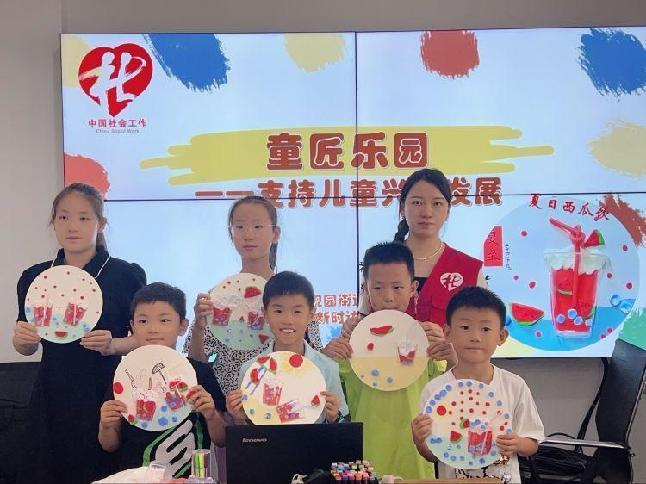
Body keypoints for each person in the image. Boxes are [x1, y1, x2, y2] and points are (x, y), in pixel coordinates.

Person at [12, 183, 146, 484]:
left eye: (84, 218)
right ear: (54, 222)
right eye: (64, 217)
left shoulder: (125, 275)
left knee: (103, 470)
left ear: (101, 224)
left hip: (106, 391)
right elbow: (26, 346)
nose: (73, 226)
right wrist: (21, 341)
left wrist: (114, 345)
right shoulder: (35, 277)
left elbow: (147, 340)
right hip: (53, 392)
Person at [325, 242, 456, 479]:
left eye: (397, 287)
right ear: (366, 289)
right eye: (378, 288)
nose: (388, 297)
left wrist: (450, 353)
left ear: (412, 288)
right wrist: (326, 354)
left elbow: (454, 386)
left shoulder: (425, 337)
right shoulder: (352, 339)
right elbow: (327, 385)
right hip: (366, 459)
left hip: (415, 455)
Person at [412, 286, 544, 482]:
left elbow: (532, 444)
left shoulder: (514, 386)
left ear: (501, 336)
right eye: (465, 327)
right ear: (447, 332)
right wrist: (420, 441)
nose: (475, 337)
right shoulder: (435, 390)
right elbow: (432, 456)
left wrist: (517, 443)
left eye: (485, 329)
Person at [99, 282, 226, 478]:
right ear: (132, 326)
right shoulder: (125, 375)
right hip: (137, 478)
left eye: (164, 320)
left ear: (182, 326)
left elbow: (222, 439)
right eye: (143, 321)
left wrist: (211, 414)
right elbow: (109, 445)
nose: (153, 329)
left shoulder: (199, 373)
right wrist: (106, 424)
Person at [227, 271, 349, 424]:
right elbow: (247, 431)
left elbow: (342, 423)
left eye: (297, 311)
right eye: (278, 311)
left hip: (314, 440)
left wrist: (334, 417)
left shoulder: (327, 368)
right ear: (265, 314)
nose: (288, 320)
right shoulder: (250, 369)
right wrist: (239, 417)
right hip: (267, 441)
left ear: (310, 315)